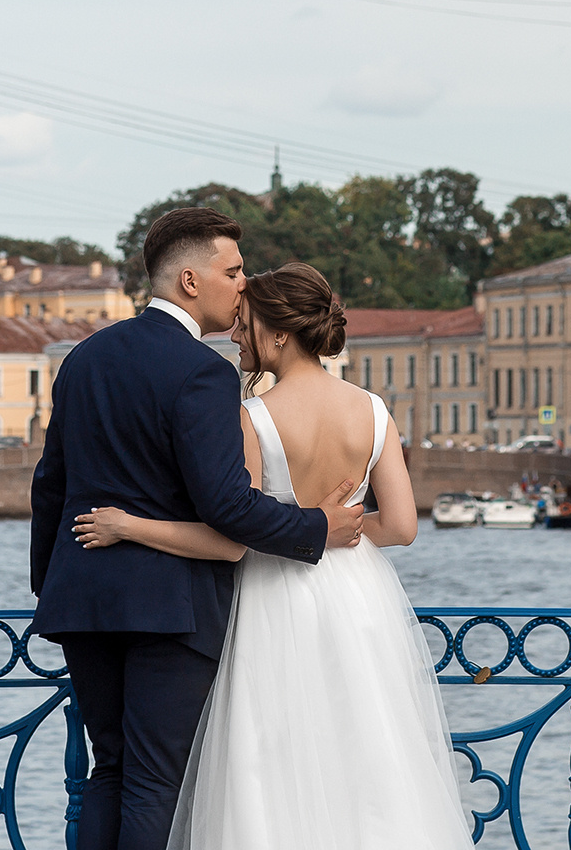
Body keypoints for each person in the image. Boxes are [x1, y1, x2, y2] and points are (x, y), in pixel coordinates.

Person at [75, 262, 473, 848]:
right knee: (365, 753)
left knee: (268, 759)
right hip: (359, 599)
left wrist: (132, 527)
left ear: (280, 333)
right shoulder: (372, 409)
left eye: (248, 324)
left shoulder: (252, 417)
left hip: (272, 598)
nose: (236, 334)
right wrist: (338, 533)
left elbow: (233, 539)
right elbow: (404, 526)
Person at [29, 207, 365, 850]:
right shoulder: (203, 371)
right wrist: (316, 526)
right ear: (190, 280)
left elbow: (50, 483)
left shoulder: (83, 358)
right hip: (170, 608)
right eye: (233, 271)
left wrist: (52, 586)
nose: (244, 285)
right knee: (155, 782)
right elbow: (227, 507)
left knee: (111, 771)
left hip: (84, 597)